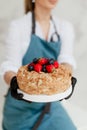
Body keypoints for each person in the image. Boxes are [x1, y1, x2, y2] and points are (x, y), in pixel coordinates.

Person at [0, 0, 77, 130]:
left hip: (50, 105)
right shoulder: (19, 26)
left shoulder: (65, 27)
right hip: (20, 107)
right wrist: (14, 82)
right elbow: (10, 65)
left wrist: (66, 78)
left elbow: (66, 60)